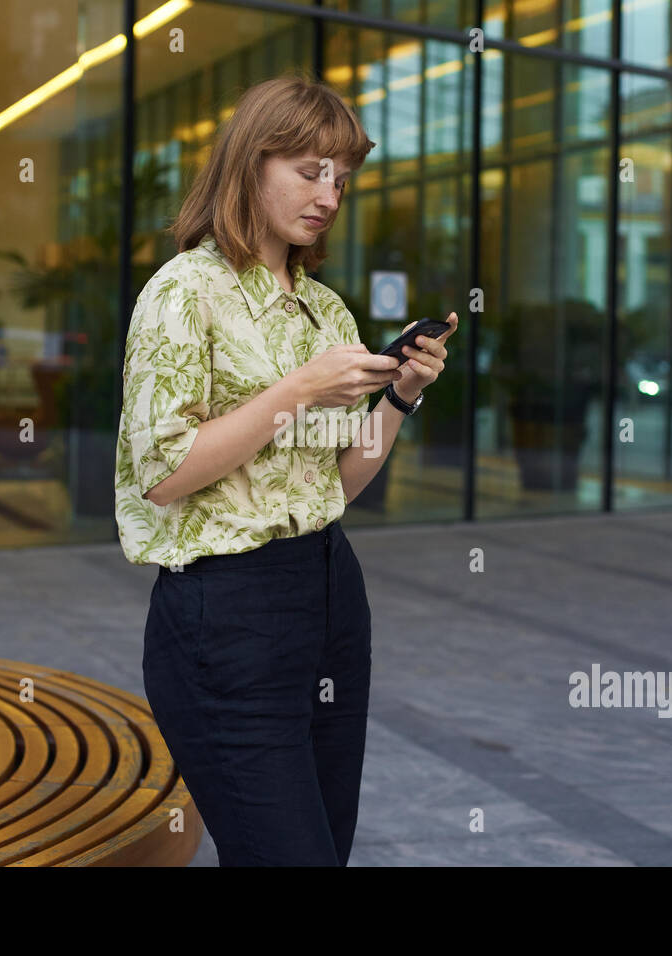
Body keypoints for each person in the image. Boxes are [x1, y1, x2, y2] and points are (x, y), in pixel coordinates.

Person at [114, 72, 458, 866]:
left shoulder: (324, 308)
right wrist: (299, 386)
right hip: (225, 614)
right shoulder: (182, 292)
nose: (329, 194)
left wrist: (399, 396)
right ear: (250, 163)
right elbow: (163, 473)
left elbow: (335, 484)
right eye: (310, 171)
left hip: (332, 596)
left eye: (341, 178)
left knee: (323, 851)